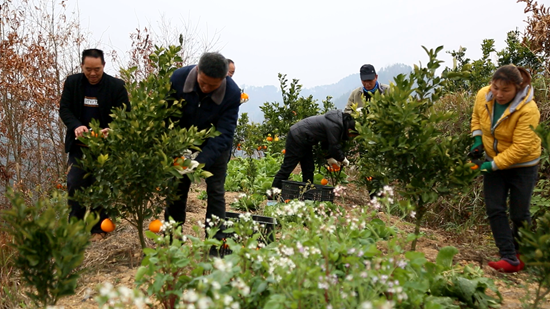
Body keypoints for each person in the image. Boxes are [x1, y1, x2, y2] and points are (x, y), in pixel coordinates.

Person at [470, 64, 540, 273]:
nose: (498, 94)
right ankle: (509, 257)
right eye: (495, 87)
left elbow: (521, 147)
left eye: (505, 90)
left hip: (522, 165)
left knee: (519, 213)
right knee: (495, 209)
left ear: (517, 88)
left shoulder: (528, 110)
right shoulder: (484, 95)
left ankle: (522, 252)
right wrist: (477, 140)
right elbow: (476, 117)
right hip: (494, 158)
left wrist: (490, 166)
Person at [165, 52, 241, 242]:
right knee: (177, 188)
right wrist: (176, 147)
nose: (206, 88)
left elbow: (224, 133)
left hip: (215, 144)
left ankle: (215, 239)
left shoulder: (232, 93)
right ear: (197, 70)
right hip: (182, 141)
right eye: (203, 82)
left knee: (216, 190)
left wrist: (199, 161)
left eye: (212, 85)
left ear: (223, 78)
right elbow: (167, 116)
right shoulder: (178, 78)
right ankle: (172, 237)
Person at [59, 48, 130, 240]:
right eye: (88, 69)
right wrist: (76, 126)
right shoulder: (73, 83)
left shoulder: (116, 86)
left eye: (96, 69)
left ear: (104, 66)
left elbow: (126, 115)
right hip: (79, 147)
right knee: (74, 184)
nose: (92, 73)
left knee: (102, 186)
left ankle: (99, 229)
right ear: (82, 66)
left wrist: (112, 130)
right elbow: (64, 109)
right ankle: (75, 228)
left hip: (105, 148)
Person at [271, 110, 356, 190]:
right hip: (297, 137)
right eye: (351, 134)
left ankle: (306, 193)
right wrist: (342, 159)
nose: (350, 136)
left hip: (304, 139)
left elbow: (326, 141)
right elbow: (334, 146)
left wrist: (329, 157)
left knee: (308, 168)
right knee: (288, 167)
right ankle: (272, 195)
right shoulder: (335, 125)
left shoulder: (335, 122)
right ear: (349, 129)